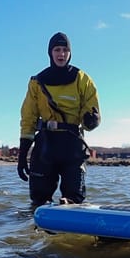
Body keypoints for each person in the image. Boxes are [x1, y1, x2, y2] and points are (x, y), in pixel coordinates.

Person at [17, 32, 101, 206]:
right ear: (50, 53)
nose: (61, 54)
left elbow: (92, 114)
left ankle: (68, 210)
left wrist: (91, 120)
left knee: (74, 199)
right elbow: (28, 118)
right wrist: (22, 154)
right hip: (45, 146)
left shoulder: (83, 80)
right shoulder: (36, 82)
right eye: (57, 50)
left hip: (72, 145)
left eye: (65, 50)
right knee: (38, 200)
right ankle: (37, 229)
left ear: (70, 53)